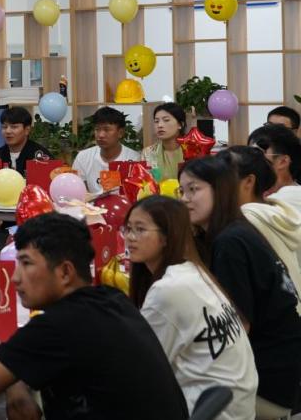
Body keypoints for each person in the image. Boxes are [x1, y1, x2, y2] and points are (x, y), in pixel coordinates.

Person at [0, 213, 188, 419]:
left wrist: (13, 375)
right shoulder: (113, 299)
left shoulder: (59, 325)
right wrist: (16, 377)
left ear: (65, 272)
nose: (16, 278)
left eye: (26, 264)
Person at [181, 156, 301, 416]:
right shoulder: (236, 228)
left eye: (194, 189)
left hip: (270, 380)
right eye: (182, 191)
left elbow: (236, 327)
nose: (185, 199)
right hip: (285, 367)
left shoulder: (230, 242)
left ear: (221, 191)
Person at [125, 194, 257, 418]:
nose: (130, 237)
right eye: (128, 228)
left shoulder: (169, 289)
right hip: (237, 403)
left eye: (140, 229)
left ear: (167, 237)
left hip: (215, 410)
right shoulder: (193, 271)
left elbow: (142, 369)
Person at [219, 145, 301, 316]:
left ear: (249, 181)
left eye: (222, 176)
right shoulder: (274, 212)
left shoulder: (245, 222)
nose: (214, 184)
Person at [72, 107, 140, 195]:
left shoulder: (135, 159)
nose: (101, 135)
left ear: (120, 133)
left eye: (107, 130)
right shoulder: (83, 157)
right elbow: (77, 191)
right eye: (97, 129)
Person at [0, 106, 52, 176]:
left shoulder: (41, 157)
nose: (8, 131)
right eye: (4, 127)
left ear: (27, 130)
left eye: (14, 127)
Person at [248, 124, 301, 194]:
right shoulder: (252, 194)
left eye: (257, 153)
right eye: (249, 153)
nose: (250, 159)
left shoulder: (296, 196)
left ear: (283, 161)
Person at [142, 102, 186, 182]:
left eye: (166, 120)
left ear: (180, 124)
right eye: (156, 121)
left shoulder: (192, 151)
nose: (160, 125)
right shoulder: (149, 153)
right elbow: (146, 182)